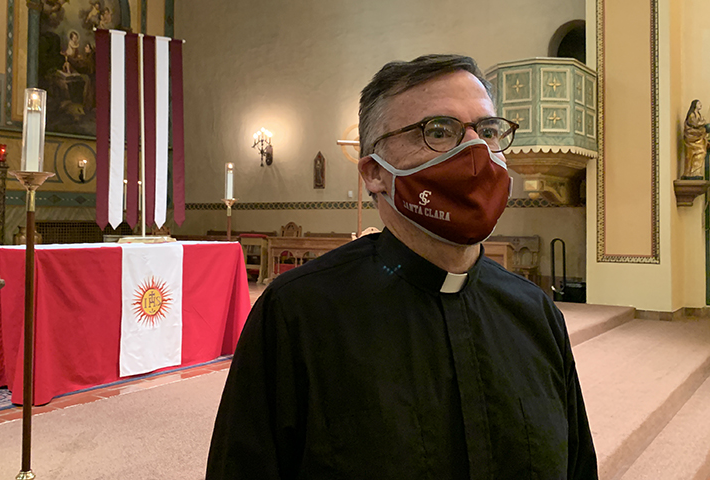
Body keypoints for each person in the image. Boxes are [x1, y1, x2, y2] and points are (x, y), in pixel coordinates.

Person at [206, 54, 598, 479]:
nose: (476, 151)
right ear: (375, 173)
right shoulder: (297, 314)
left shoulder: (535, 313)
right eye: (439, 131)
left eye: (487, 131)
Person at [682, 99, 710, 179]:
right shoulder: (691, 115)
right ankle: (691, 173)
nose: (700, 105)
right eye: (699, 104)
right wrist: (703, 123)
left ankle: (696, 172)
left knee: (701, 153)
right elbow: (694, 124)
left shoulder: (698, 114)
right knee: (692, 155)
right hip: (692, 139)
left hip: (699, 138)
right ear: (695, 105)